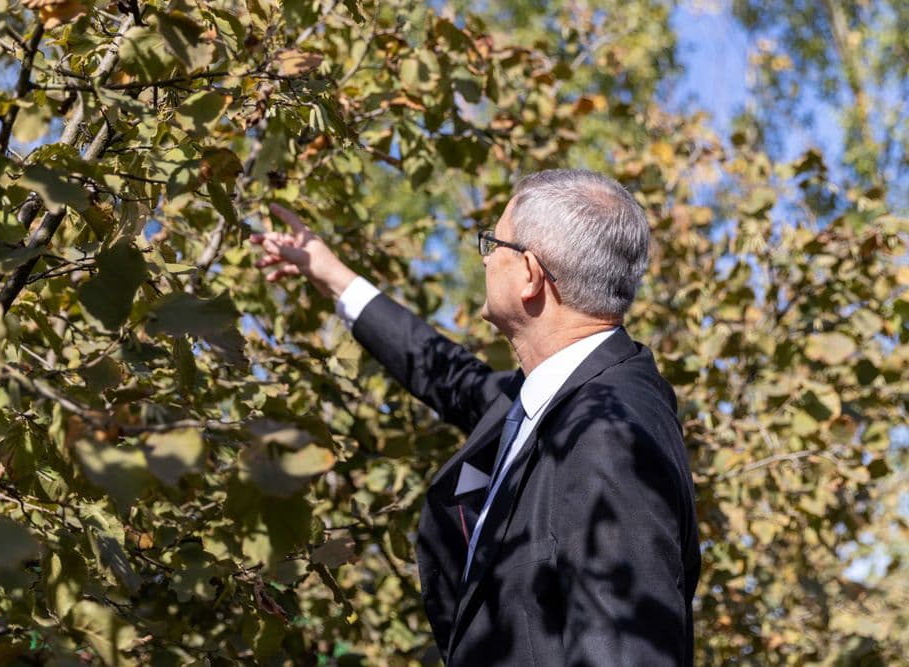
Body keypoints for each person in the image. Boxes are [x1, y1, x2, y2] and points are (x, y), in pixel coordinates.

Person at [249, 169, 700, 666]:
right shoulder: (554, 398)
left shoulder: (610, 436)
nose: (485, 256)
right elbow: (449, 376)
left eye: (494, 242)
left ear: (529, 273)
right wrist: (332, 275)